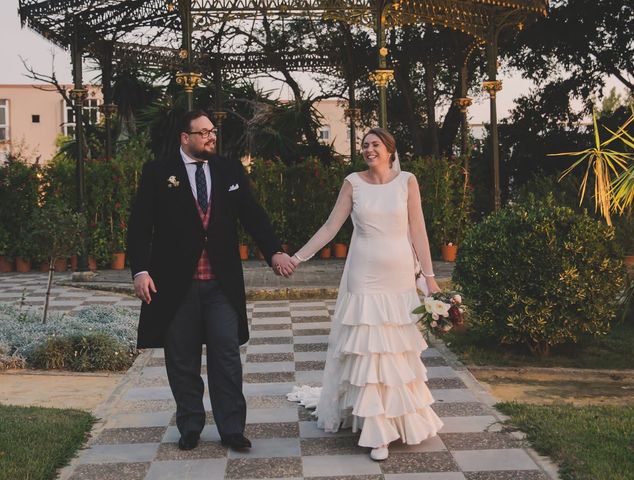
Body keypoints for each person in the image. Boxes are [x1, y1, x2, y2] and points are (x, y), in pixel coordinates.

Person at [127, 110, 296, 452]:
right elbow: (140, 226)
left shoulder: (229, 170)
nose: (211, 137)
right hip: (176, 286)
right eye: (203, 132)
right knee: (182, 361)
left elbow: (252, 214)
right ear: (184, 138)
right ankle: (190, 426)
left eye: (212, 131)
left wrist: (274, 252)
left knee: (227, 359)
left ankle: (232, 429)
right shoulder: (158, 173)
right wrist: (140, 271)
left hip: (221, 285)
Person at [289, 127, 444, 461]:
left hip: (399, 275)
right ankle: (377, 434)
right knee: (369, 350)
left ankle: (401, 419)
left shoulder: (407, 181)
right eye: (364, 145)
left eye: (375, 144)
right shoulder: (352, 182)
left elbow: (418, 230)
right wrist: (297, 257)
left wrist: (429, 278)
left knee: (395, 350)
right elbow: (331, 227)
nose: (369, 149)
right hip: (363, 274)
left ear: (390, 150)